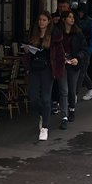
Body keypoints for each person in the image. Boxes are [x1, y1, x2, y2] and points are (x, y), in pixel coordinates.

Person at [26, 11, 64, 140]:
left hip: (48, 69)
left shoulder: (55, 35)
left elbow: (59, 55)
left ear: (48, 21)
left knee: (46, 98)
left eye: (43, 20)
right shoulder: (34, 33)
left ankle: (45, 127)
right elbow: (28, 53)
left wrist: (57, 72)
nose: (41, 22)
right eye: (40, 20)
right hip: (35, 68)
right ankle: (43, 113)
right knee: (33, 96)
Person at [62, 11, 87, 123]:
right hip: (62, 63)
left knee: (71, 89)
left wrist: (77, 58)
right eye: (69, 17)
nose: (72, 19)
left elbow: (84, 49)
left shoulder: (78, 33)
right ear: (64, 19)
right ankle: (64, 113)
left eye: (73, 17)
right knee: (63, 90)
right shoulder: (58, 33)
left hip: (73, 63)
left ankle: (71, 109)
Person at [75, 4, 92, 100]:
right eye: (79, 11)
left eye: (81, 12)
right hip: (81, 49)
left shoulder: (90, 23)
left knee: (81, 72)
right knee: (82, 71)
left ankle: (75, 93)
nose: (80, 13)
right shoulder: (85, 21)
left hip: (85, 49)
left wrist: (89, 50)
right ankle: (91, 89)